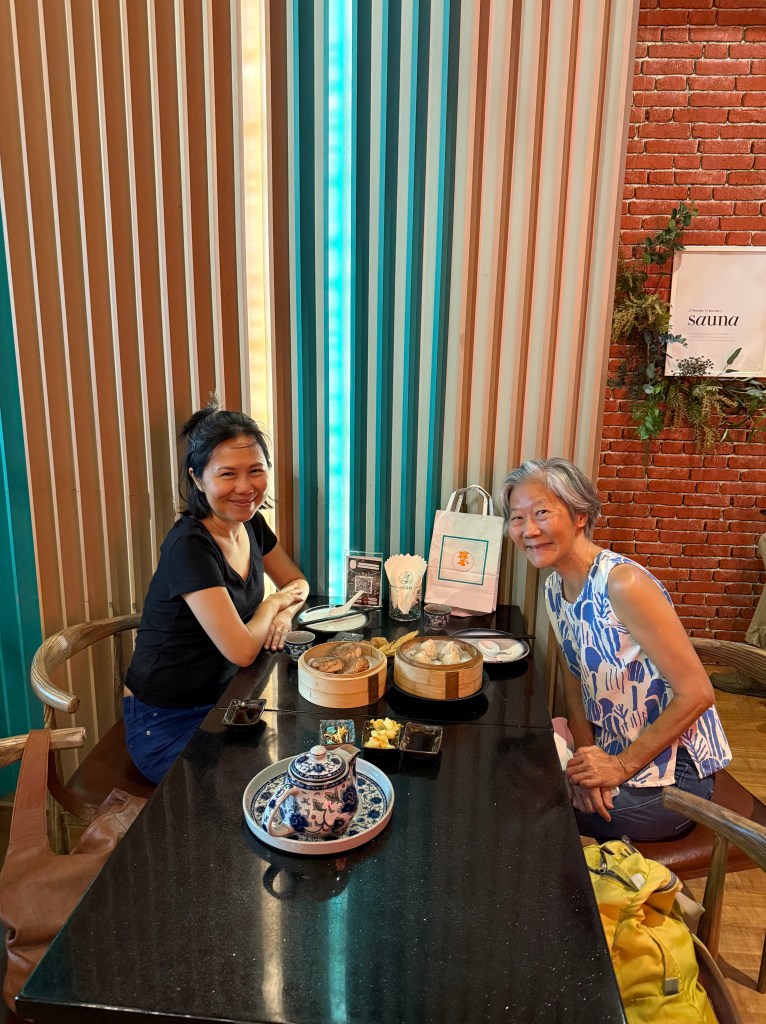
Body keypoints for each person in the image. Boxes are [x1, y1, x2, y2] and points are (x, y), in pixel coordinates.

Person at [500, 457, 731, 842]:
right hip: (614, 751)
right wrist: (585, 766)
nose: (529, 529)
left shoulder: (622, 584)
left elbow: (698, 693)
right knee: (512, 769)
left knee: (534, 806)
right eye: (517, 518)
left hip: (677, 775)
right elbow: (575, 679)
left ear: (579, 516)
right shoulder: (555, 589)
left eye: (541, 512)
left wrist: (618, 767)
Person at [123, 401, 309, 783]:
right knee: (260, 795)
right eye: (228, 474)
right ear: (197, 479)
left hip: (229, 698)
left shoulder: (251, 524)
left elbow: (298, 582)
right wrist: (273, 603)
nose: (246, 487)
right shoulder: (190, 545)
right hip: (166, 719)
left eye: (256, 471)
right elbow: (242, 649)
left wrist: (286, 613)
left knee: (302, 762)